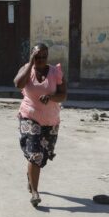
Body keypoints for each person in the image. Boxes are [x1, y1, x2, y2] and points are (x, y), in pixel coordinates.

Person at [13, 43, 67, 207]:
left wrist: (51, 97)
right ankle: (35, 192)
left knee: (43, 155)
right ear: (32, 56)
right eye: (37, 56)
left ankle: (31, 175)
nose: (41, 60)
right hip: (29, 116)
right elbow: (18, 84)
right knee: (35, 153)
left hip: (51, 120)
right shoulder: (26, 69)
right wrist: (30, 64)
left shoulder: (55, 72)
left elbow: (63, 95)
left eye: (44, 56)